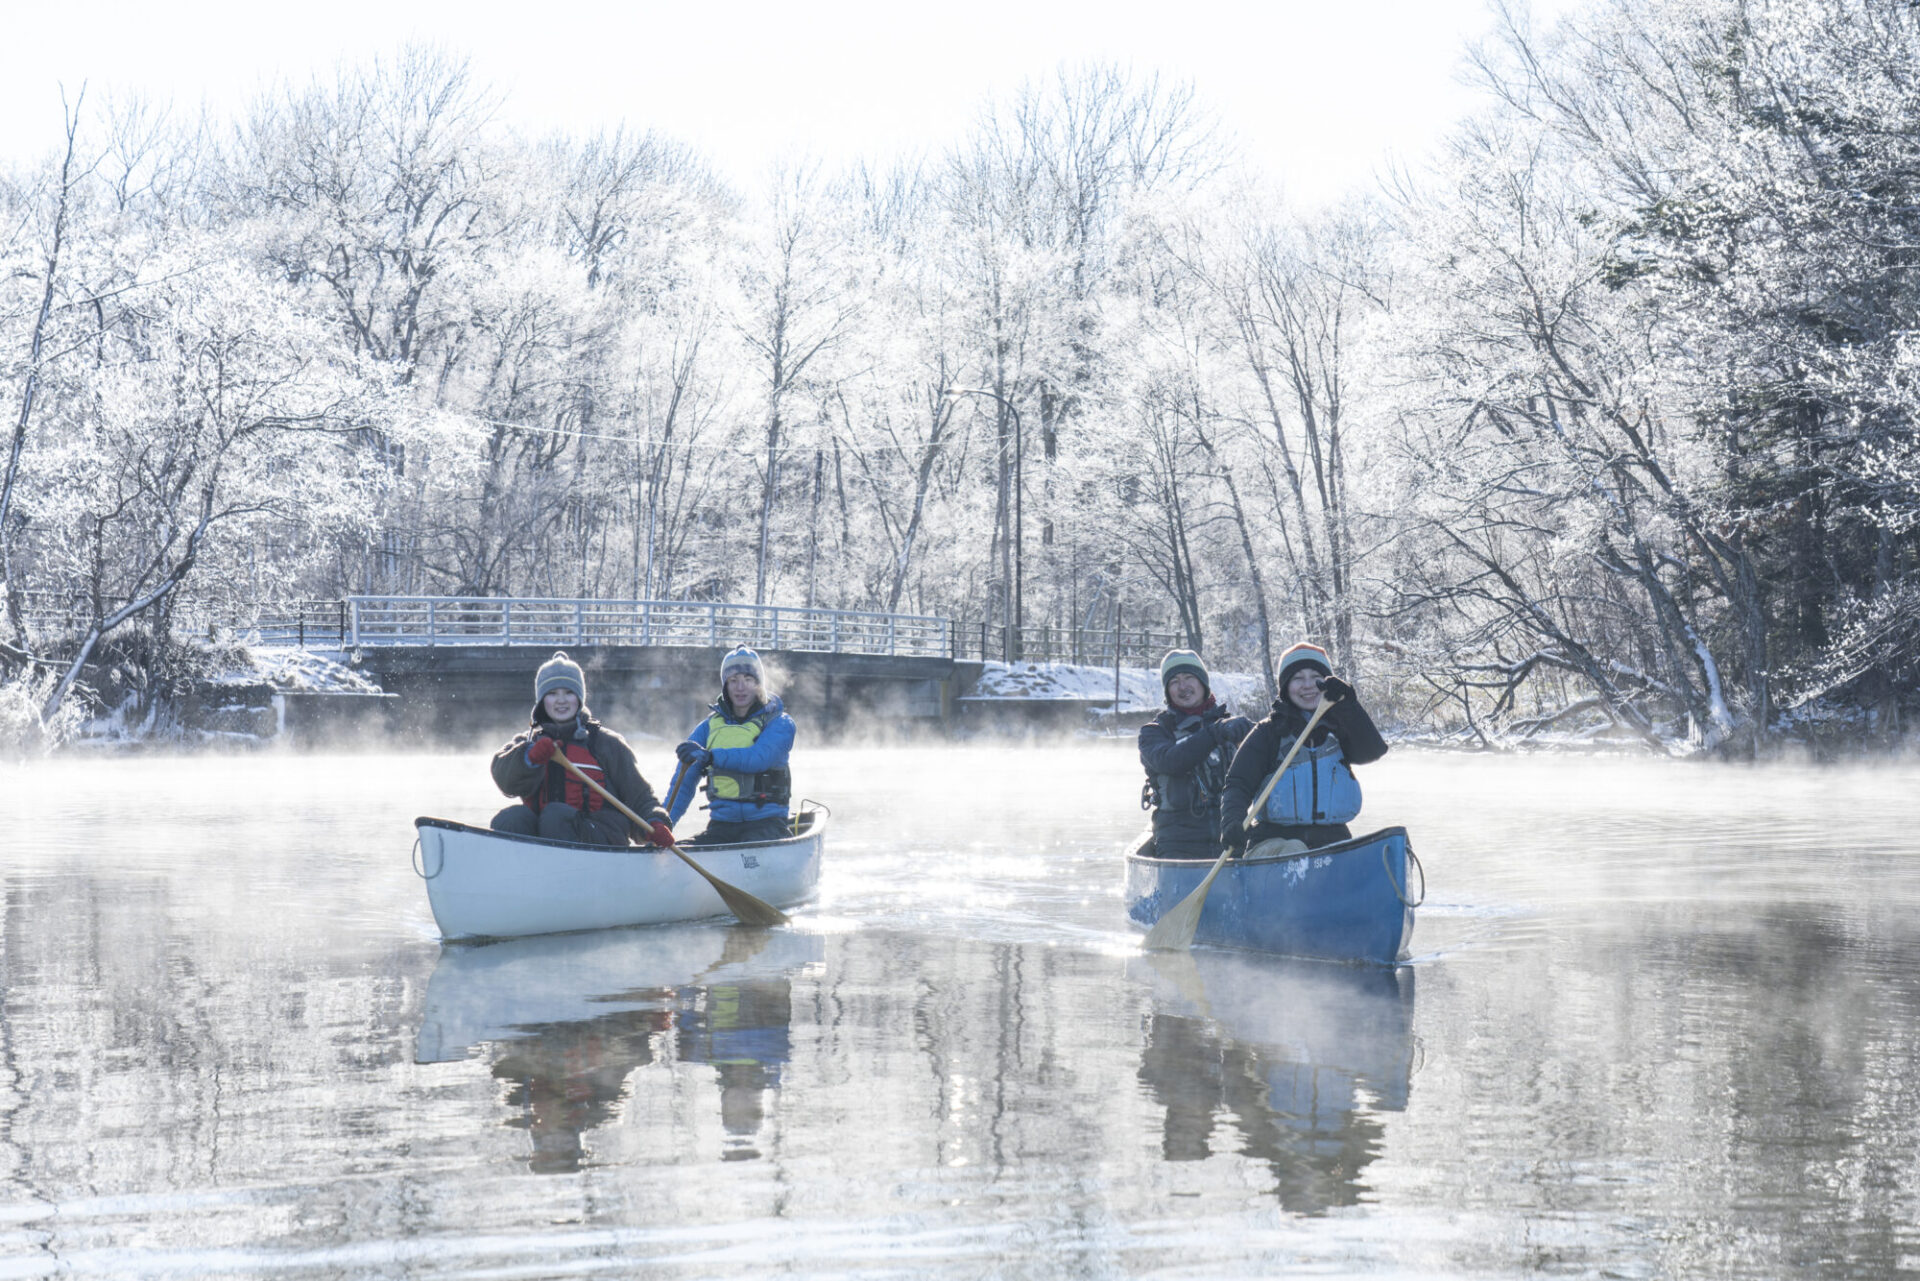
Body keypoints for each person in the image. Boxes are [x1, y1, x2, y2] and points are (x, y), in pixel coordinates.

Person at [490, 650, 676, 849]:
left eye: (569, 692)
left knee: (555, 816)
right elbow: (503, 775)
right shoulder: (527, 742)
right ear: (542, 701)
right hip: (548, 835)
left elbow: (641, 797)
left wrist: (656, 822)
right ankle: (521, 867)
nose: (561, 700)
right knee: (510, 818)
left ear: (579, 698)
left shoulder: (607, 743)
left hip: (601, 837)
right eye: (552, 694)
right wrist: (529, 758)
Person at [1219, 642, 1388, 855]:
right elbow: (1238, 784)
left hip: (1333, 841)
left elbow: (1372, 751)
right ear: (1285, 687)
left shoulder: (1340, 726)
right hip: (1272, 841)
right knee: (1295, 849)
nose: (1308, 685)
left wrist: (1349, 706)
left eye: (1316, 677)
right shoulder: (1268, 733)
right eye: (1298, 678)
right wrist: (1232, 821)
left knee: (1388, 845)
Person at [664, 646, 796, 845]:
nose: (740, 687)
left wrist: (711, 757)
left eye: (748, 679)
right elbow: (683, 783)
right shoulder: (708, 727)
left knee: (751, 842)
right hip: (722, 825)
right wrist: (663, 823)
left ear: (758, 683)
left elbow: (758, 759)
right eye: (733, 680)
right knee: (686, 846)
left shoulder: (780, 723)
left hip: (767, 824)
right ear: (725, 685)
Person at [1137, 649, 1254, 859]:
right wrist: (1213, 733)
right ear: (1167, 691)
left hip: (1233, 838)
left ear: (1203, 683)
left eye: (1189, 677)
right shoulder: (1154, 732)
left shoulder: (1232, 727)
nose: (1183, 687)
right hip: (1178, 843)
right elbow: (1171, 761)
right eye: (1174, 681)